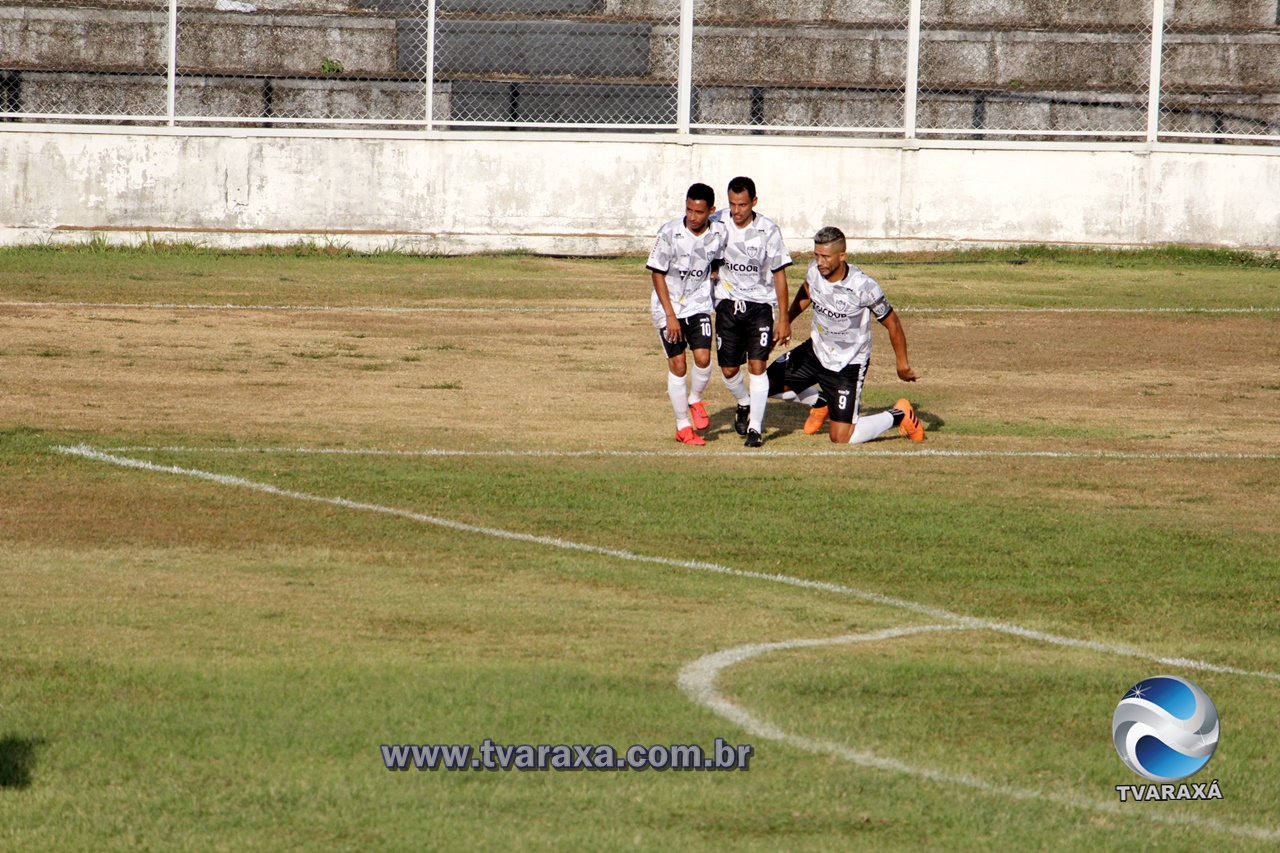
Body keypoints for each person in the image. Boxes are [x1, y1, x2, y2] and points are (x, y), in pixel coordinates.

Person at [766, 226, 925, 444]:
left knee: (841, 438)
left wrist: (902, 364)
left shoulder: (863, 287)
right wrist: (785, 320)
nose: (819, 262)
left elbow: (893, 324)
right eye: (816, 255)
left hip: (847, 364)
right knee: (763, 385)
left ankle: (900, 415)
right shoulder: (815, 271)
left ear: (842, 256)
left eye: (825, 257)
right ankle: (820, 402)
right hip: (815, 351)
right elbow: (807, 291)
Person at [711, 176, 792, 447]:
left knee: (758, 366)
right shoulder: (718, 222)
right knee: (729, 369)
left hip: (759, 306)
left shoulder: (768, 230)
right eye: (732, 204)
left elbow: (780, 275)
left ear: (754, 202)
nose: (736, 211)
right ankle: (744, 402)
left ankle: (755, 429)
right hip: (727, 304)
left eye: (742, 205)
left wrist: (784, 319)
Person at [646, 182, 727, 445]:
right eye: (689, 210)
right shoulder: (669, 232)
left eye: (699, 212)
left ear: (710, 211)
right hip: (667, 306)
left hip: (699, 303)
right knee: (678, 364)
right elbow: (657, 273)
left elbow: (718, 258)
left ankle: (695, 398)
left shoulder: (719, 233)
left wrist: (714, 271)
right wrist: (670, 316)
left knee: (703, 358)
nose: (692, 217)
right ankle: (683, 426)